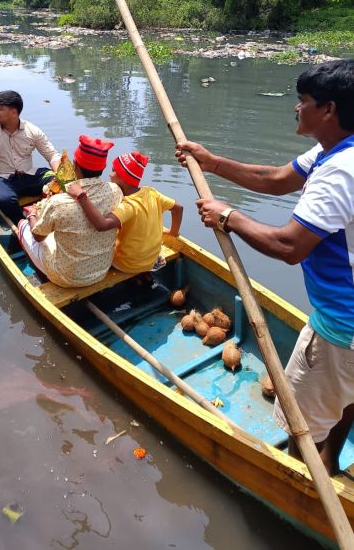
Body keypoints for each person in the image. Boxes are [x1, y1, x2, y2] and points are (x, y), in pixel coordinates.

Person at [175, 59, 354, 475]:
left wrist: (226, 217)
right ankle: (330, 462)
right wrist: (211, 161)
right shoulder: (337, 148)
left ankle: (307, 477)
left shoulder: (340, 173)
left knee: (301, 423)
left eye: (303, 101)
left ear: (327, 110)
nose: (296, 108)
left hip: (342, 326)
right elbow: (276, 178)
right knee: (346, 396)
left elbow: (289, 246)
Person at [18, 135, 122, 288]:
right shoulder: (115, 191)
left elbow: (38, 236)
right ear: (103, 168)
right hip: (101, 271)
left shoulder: (58, 203)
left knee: (23, 225)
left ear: (75, 165)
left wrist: (32, 214)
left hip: (66, 277)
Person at [67, 151, 183, 274]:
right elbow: (178, 208)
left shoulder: (128, 205)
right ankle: (143, 278)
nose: (110, 175)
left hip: (126, 264)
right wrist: (173, 232)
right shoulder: (152, 193)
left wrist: (82, 196)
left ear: (123, 178)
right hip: (151, 259)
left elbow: (102, 225)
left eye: (113, 171)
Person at [0, 90, 60, 224]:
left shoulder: (32, 130)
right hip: (2, 179)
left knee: (56, 182)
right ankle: (22, 223)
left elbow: (52, 155)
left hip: (29, 176)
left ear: (14, 112)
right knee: (4, 199)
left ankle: (46, 215)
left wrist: (60, 177)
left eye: (0, 108)